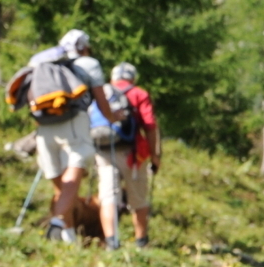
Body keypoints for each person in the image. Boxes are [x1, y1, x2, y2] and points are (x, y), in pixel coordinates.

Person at [11, 29, 121, 244]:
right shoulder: (89, 64)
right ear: (85, 47)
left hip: (44, 125)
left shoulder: (42, 63)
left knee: (58, 182)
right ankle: (58, 221)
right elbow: (100, 100)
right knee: (76, 165)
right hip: (73, 121)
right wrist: (112, 117)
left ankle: (67, 236)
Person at [87, 62, 161, 249]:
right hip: (132, 155)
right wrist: (155, 155)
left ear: (113, 78)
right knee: (138, 199)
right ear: (132, 78)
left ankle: (112, 241)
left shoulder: (101, 92)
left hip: (103, 151)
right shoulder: (139, 94)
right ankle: (140, 242)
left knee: (108, 196)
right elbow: (150, 126)